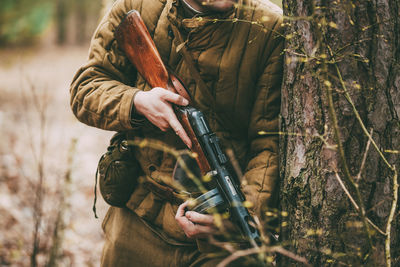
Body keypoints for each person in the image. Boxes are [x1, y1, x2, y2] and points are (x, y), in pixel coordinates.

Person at [70, 0, 283, 265]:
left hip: (218, 240)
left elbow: (269, 143)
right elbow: (86, 89)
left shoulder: (270, 27)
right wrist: (137, 103)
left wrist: (239, 216)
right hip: (137, 219)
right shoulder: (136, 5)